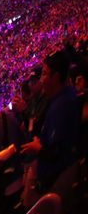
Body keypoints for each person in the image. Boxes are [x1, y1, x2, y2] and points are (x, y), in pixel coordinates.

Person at [21, 51, 81, 202]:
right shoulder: (61, 98)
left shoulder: (63, 105)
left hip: (56, 184)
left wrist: (38, 148)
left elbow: (57, 154)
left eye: (44, 74)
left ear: (56, 77)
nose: (41, 80)